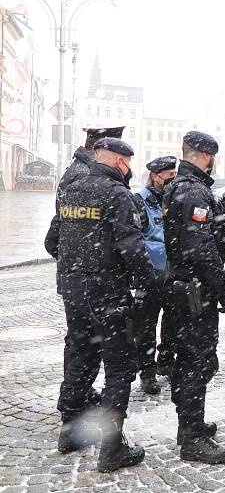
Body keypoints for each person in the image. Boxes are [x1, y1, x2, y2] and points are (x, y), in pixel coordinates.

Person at [44, 138, 159, 472]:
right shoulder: (117, 194)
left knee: (81, 355)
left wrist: (77, 268)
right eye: (127, 162)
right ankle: (112, 449)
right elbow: (132, 250)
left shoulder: (72, 190)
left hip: (73, 291)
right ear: (121, 162)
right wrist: (148, 283)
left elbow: (52, 241)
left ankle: (70, 431)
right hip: (108, 295)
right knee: (119, 368)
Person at [163, 131, 225, 464]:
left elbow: (191, 241)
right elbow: (200, 249)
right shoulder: (194, 191)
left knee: (186, 361)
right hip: (196, 291)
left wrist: (220, 229)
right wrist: (221, 289)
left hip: (181, 288)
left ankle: (189, 425)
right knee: (197, 362)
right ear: (206, 155)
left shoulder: (176, 187)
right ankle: (192, 437)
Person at [52, 126, 125, 412]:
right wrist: (88, 262)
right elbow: (61, 233)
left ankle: (77, 394)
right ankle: (75, 396)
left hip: (76, 275)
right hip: (91, 278)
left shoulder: (77, 171)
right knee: (83, 345)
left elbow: (56, 236)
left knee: (81, 341)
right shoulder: (86, 175)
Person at [131, 156, 178, 394]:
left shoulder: (177, 199)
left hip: (173, 275)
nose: (171, 180)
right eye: (167, 176)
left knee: (173, 323)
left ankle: (166, 363)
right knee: (146, 327)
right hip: (150, 275)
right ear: (154, 176)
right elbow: (135, 239)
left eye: (174, 175)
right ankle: (147, 373)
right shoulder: (140, 200)